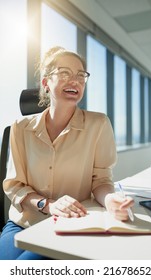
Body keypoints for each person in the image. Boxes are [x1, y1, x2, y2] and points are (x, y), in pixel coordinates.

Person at [0, 46, 134, 260]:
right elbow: (15, 186)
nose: (75, 81)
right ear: (45, 83)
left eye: (81, 75)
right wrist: (48, 204)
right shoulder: (20, 128)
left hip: (69, 223)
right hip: (22, 222)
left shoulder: (99, 124)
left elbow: (100, 182)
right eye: (64, 74)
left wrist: (109, 199)